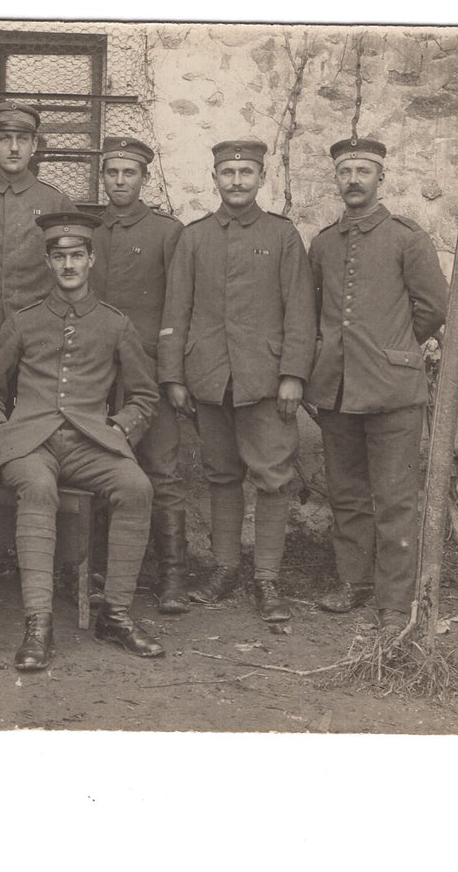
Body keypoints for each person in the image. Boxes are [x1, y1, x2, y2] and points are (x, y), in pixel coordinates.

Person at [0, 211, 164, 670]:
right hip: (28, 442)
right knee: (37, 488)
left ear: (91, 259)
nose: (69, 265)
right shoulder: (24, 321)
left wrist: (121, 427)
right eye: (59, 257)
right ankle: (39, 626)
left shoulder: (115, 324)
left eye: (77, 255)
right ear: (48, 262)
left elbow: (144, 394)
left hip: (88, 442)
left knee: (137, 488)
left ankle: (115, 615)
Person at [160, 140, 316, 624]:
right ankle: (225, 567)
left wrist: (292, 374)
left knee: (272, 478)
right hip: (208, 376)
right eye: (227, 172)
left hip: (264, 379)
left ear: (261, 177)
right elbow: (176, 310)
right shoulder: (195, 237)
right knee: (220, 474)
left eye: (246, 172)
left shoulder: (283, 235)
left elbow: (301, 313)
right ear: (214, 178)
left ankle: (267, 578)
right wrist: (173, 375)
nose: (236, 181)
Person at [306, 137, 449, 631]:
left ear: (381, 178)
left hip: (392, 392)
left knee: (394, 498)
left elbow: (434, 307)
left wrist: (399, 351)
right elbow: (313, 311)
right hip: (337, 390)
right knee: (345, 493)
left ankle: (393, 601)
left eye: (363, 171)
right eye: (345, 171)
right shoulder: (323, 243)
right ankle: (354, 580)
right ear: (337, 178)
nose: (353, 180)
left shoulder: (408, 238)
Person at [88, 137, 191, 614]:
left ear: (144, 178)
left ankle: (171, 575)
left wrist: (170, 375)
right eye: (112, 173)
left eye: (130, 173)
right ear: (102, 176)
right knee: (98, 467)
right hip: (97, 375)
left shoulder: (167, 232)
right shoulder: (88, 229)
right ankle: (98, 570)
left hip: (148, 373)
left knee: (162, 470)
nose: (120, 181)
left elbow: (179, 308)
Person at [0, 101, 76, 377]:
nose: (14, 148)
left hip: (41, 340)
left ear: (34, 146)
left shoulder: (55, 201)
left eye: (22, 139)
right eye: (4, 139)